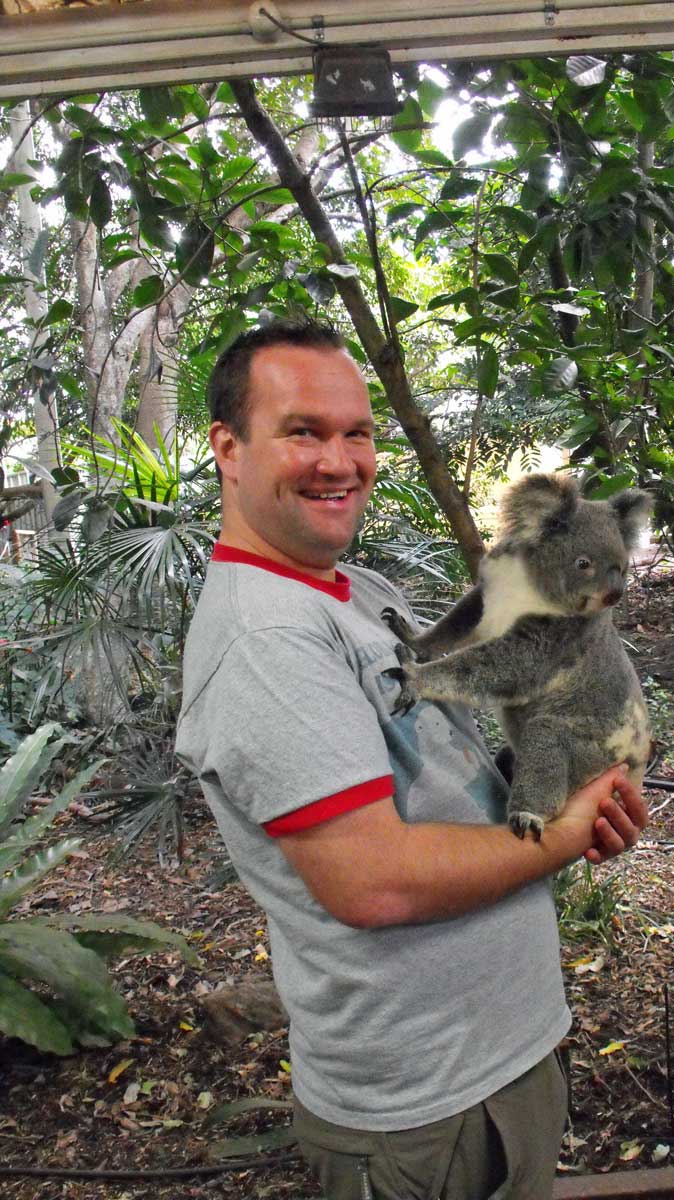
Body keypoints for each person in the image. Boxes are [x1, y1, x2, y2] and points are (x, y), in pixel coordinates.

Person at [175, 320, 648, 1200]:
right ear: (229, 449)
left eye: (356, 432)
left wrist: (574, 797)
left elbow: (462, 752)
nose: (339, 460)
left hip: (499, 1057)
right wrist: (564, 830)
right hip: (424, 1111)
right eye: (303, 432)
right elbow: (375, 882)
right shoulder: (266, 640)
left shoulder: (355, 589)